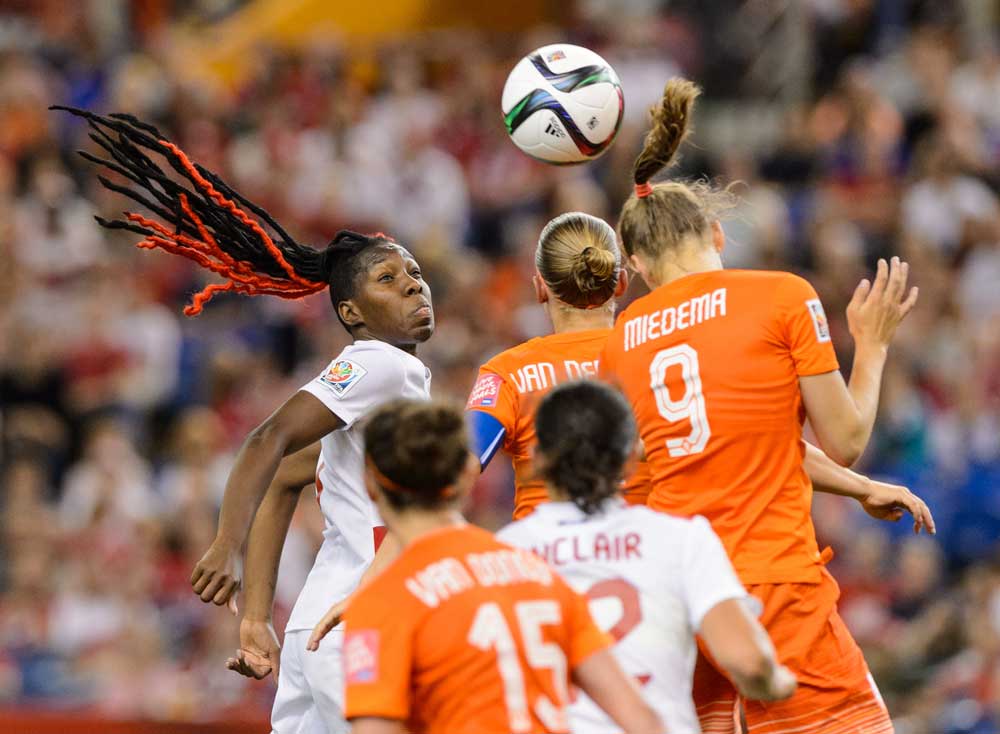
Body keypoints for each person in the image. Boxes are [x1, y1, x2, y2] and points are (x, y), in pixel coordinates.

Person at [59, 107, 435, 734]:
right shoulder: (380, 365)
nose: (413, 286)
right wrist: (223, 544)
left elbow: (288, 477)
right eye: (388, 279)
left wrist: (256, 616)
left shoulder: (378, 390)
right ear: (352, 312)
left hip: (315, 620)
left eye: (416, 275)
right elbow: (269, 437)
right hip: (361, 616)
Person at [598, 80, 935, 732]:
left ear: (636, 264)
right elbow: (847, 434)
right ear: (718, 234)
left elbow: (730, 440)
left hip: (676, 602)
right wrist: (872, 345)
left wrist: (858, 489)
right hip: (771, 585)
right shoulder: (779, 295)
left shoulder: (623, 340)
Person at [340, 398, 665, 734]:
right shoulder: (538, 573)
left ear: (369, 485)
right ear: (468, 476)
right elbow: (640, 718)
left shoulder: (383, 602)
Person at [498, 380, 797, 734]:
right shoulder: (680, 539)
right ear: (628, 461)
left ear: (539, 460)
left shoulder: (500, 554)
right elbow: (747, 660)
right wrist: (777, 682)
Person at [466, 211, 650, 518]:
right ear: (621, 282)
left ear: (540, 287)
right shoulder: (660, 354)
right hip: (644, 553)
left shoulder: (506, 372)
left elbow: (454, 466)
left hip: (545, 559)